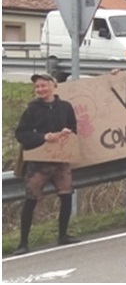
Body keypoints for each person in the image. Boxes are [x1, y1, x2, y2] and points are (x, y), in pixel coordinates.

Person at [12, 73, 80, 255]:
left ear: (53, 86)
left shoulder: (66, 107)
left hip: (60, 159)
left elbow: (74, 129)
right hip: (38, 162)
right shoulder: (31, 109)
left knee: (66, 196)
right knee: (31, 200)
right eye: (37, 87)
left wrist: (67, 133)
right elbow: (21, 133)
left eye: (44, 85)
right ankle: (23, 243)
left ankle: (63, 235)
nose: (41, 89)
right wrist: (43, 137)